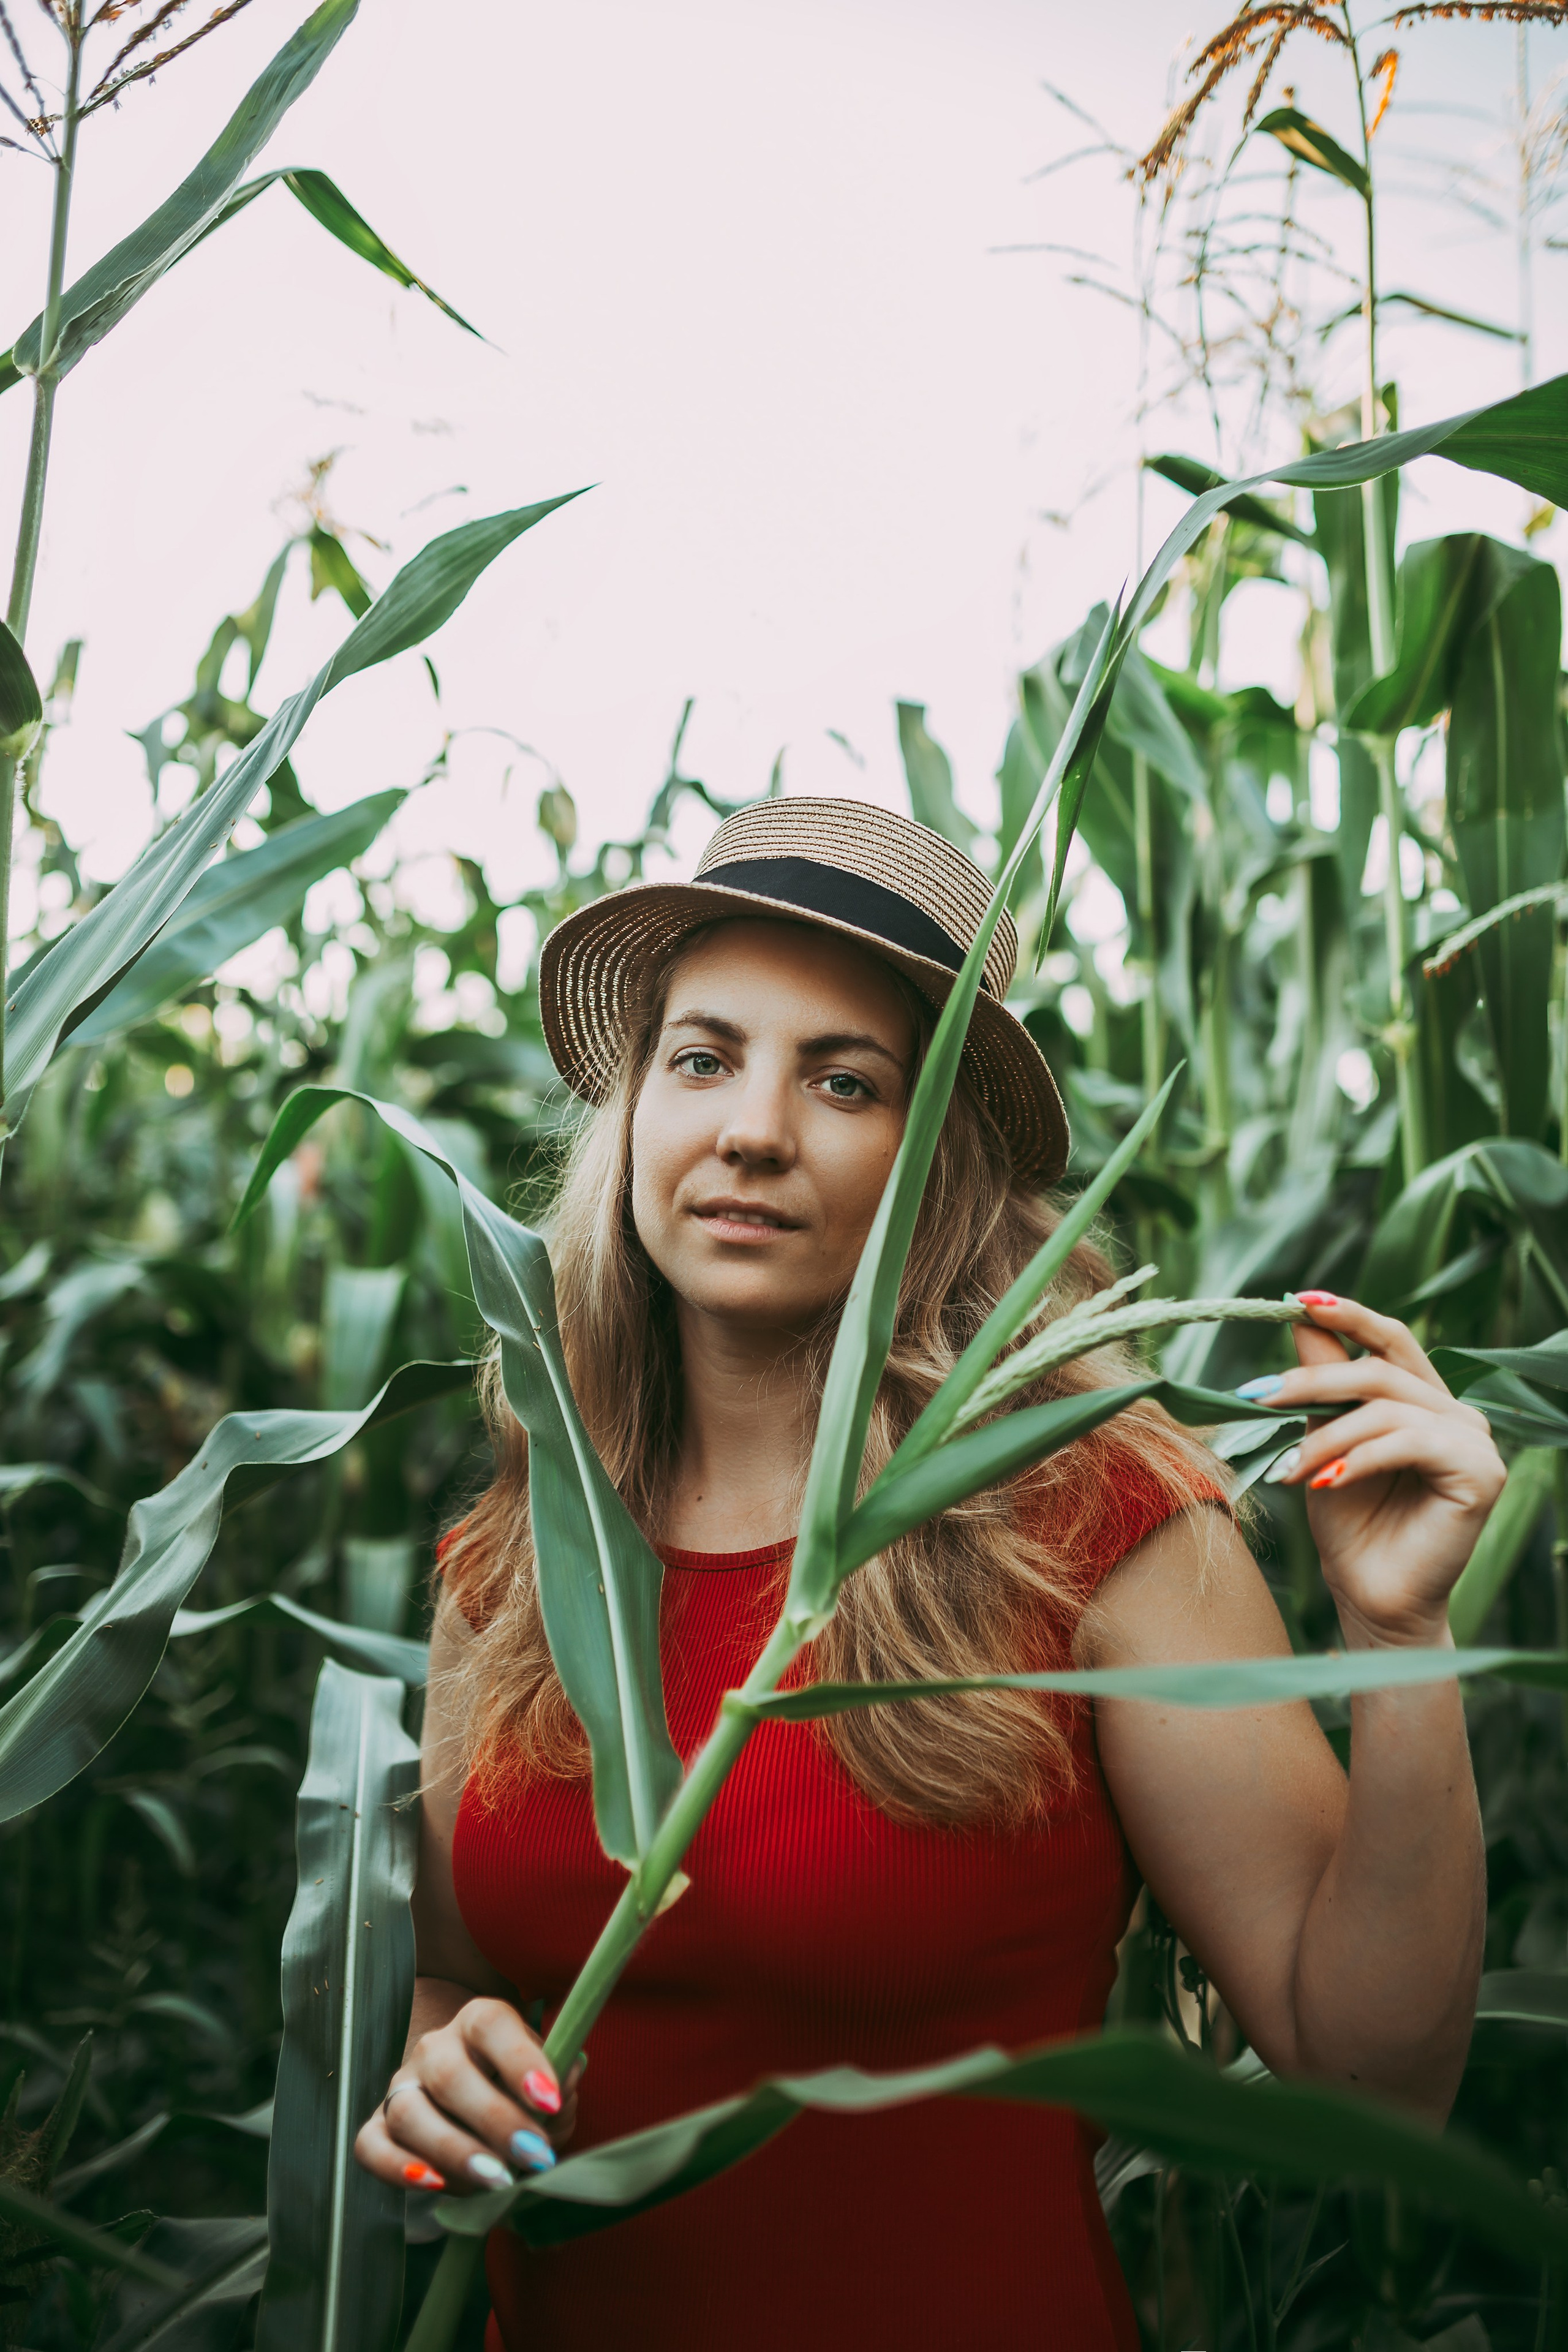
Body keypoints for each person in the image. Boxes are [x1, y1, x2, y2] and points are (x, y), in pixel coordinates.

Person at [353, 797, 1502, 2351]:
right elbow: (445, 1987)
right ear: (632, 1114)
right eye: (702, 1059)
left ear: (938, 1159)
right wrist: (441, 2085)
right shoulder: (511, 1559)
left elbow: (1368, 2078)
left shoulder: (1098, 1525)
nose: (751, 1128)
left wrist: (1399, 1632)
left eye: (843, 1080)